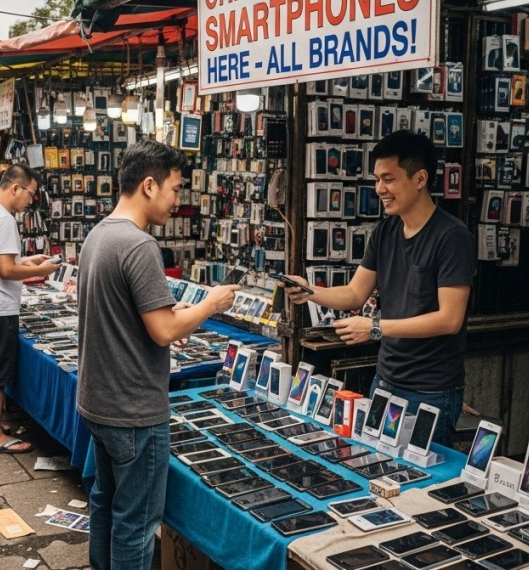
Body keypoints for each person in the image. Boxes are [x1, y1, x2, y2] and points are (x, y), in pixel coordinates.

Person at [76, 139, 239, 569]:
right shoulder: (140, 245)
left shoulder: (99, 235)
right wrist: (208, 305)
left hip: (99, 402)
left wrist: (174, 312)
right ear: (149, 185)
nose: (177, 200)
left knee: (104, 504)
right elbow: (163, 330)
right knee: (136, 523)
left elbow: (129, 315)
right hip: (134, 411)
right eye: (174, 188)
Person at [282, 130, 475, 447]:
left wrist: (374, 328)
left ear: (420, 178)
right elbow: (355, 293)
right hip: (385, 381)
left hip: (431, 390)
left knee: (420, 484)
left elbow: (450, 319)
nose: (379, 189)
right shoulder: (386, 230)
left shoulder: (452, 237)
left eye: (388, 179)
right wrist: (311, 291)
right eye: (377, 179)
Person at [0, 164, 59, 453]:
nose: (29, 201)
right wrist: (41, 268)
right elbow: (5, 270)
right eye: (29, 194)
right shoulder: (4, 219)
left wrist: (28, 262)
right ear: (15, 188)